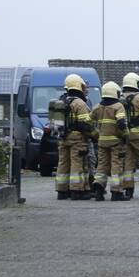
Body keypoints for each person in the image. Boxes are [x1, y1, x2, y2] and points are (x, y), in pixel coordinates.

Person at [53, 73, 95, 201]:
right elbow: (85, 125)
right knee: (78, 164)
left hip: (62, 138)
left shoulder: (60, 102)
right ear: (78, 86)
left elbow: (54, 123)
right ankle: (77, 191)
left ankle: (62, 191)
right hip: (77, 139)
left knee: (63, 164)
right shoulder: (80, 103)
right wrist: (95, 135)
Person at [90, 81, 129, 201]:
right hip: (115, 142)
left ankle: (99, 189)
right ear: (115, 93)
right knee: (116, 166)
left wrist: (95, 134)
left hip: (102, 142)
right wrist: (126, 135)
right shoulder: (118, 106)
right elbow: (122, 123)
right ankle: (116, 192)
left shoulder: (97, 107)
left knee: (102, 166)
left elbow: (87, 121)